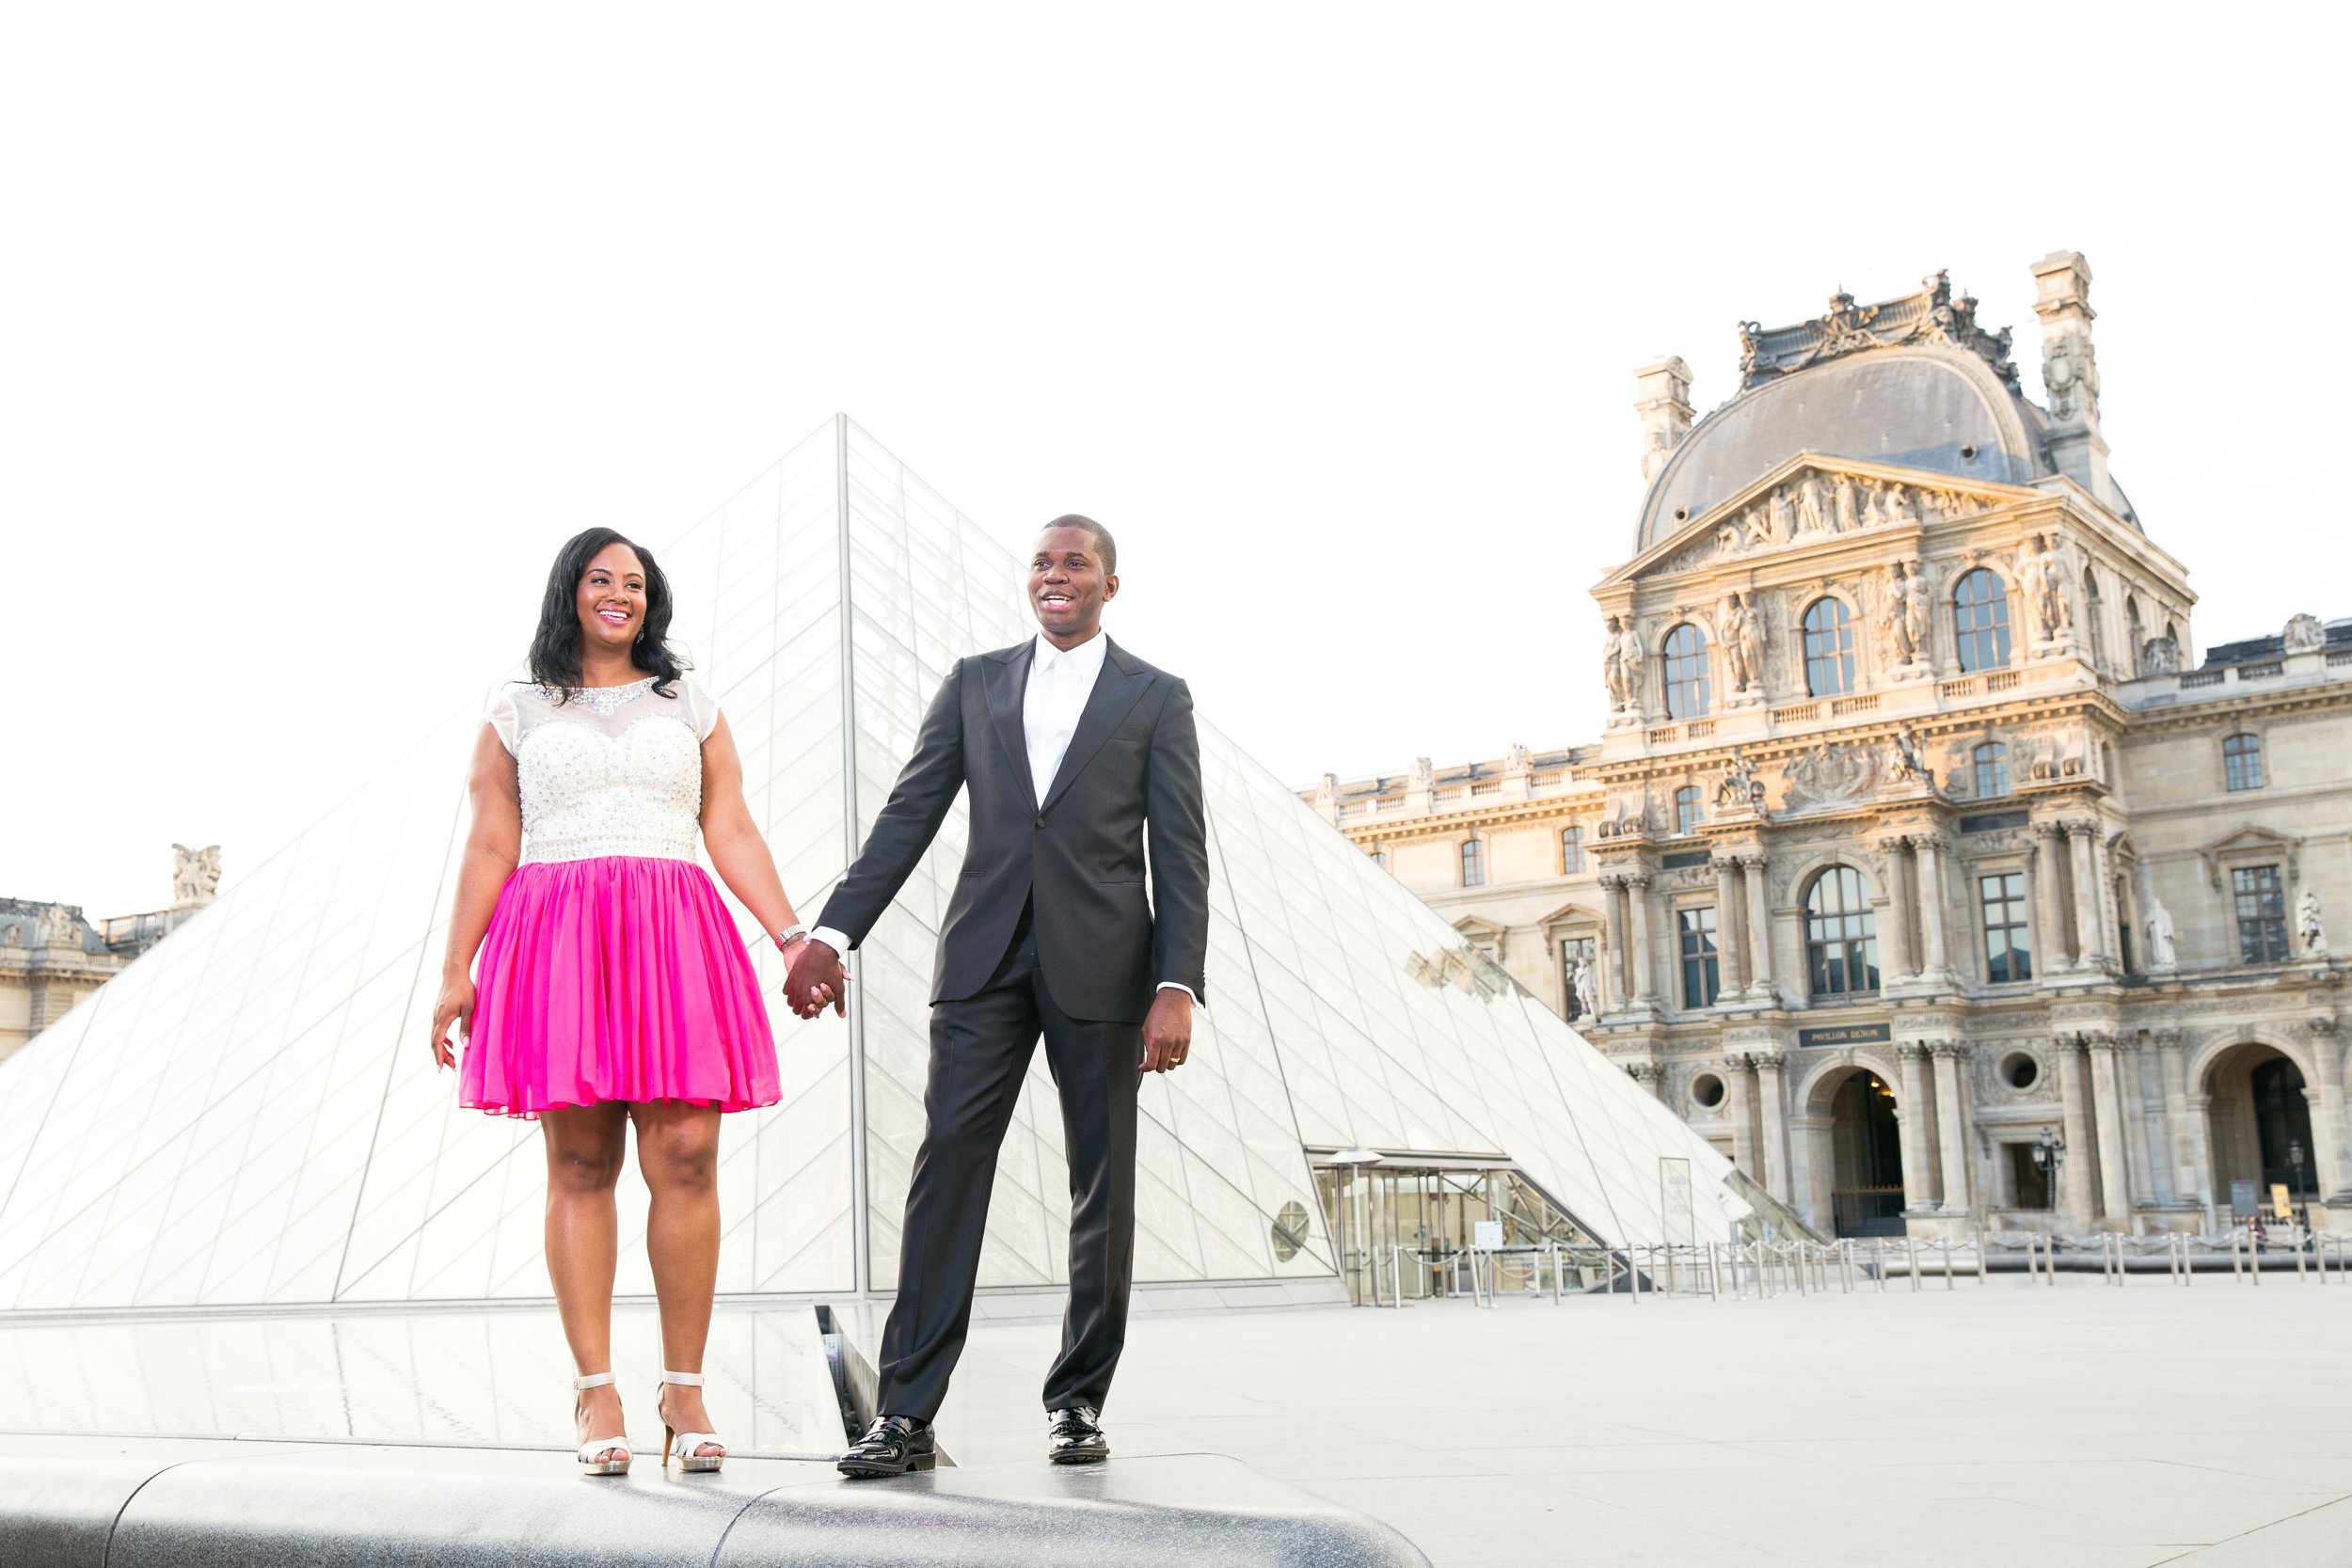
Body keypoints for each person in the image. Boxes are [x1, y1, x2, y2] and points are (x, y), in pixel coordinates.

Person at [787, 515, 1209, 1478]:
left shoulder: (1155, 696)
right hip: (982, 962)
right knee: (946, 1173)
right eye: (1043, 563)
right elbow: (909, 815)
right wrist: (831, 930)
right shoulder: (975, 682)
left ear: (1109, 583)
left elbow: (1179, 853)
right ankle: (905, 1412)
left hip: (1106, 969)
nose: (1055, 576)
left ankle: (1077, 1401)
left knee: (1101, 1184)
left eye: (1075, 564)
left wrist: (1176, 981)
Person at [427, 528, 831, 1478]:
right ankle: (595, 1387)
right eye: (603, 579)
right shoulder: (516, 708)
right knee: (579, 1160)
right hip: (555, 935)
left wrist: (789, 933)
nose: (620, 594)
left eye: (636, 583)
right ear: (570, 590)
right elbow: (492, 843)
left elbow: (727, 824)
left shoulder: (688, 701)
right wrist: (457, 968)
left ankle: (683, 1386)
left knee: (687, 1153)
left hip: (671, 927)